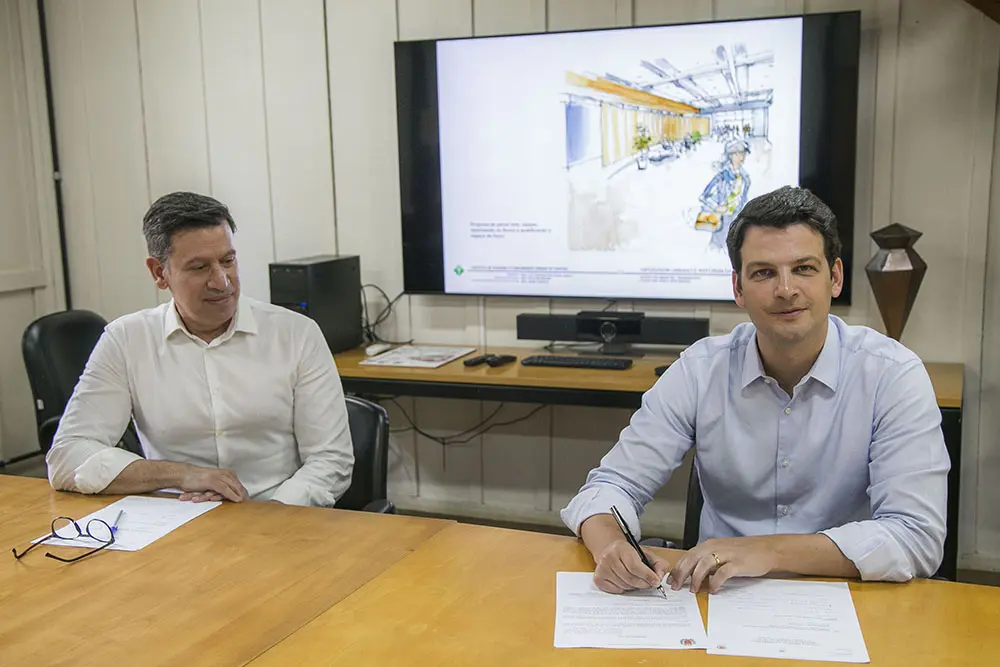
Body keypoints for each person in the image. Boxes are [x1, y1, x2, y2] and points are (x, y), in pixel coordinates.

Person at [561, 185, 949, 595]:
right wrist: (611, 545)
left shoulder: (892, 374)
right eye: (764, 273)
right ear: (738, 289)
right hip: (719, 596)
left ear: (835, 277)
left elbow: (917, 537)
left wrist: (768, 551)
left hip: (848, 596)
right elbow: (611, 486)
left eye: (804, 268)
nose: (786, 289)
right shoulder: (700, 370)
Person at [46, 192, 354, 507]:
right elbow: (67, 457)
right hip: (174, 520)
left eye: (228, 261)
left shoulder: (296, 334)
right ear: (159, 273)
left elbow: (331, 459)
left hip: (280, 514)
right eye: (199, 267)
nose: (222, 282)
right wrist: (181, 474)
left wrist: (270, 515)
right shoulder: (126, 340)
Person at [699, 139, 752, 250]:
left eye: (743, 153)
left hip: (737, 222)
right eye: (738, 153)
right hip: (722, 221)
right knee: (716, 251)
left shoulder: (745, 178)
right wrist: (716, 207)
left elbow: (743, 199)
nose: (742, 157)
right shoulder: (722, 176)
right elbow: (703, 197)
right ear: (731, 155)